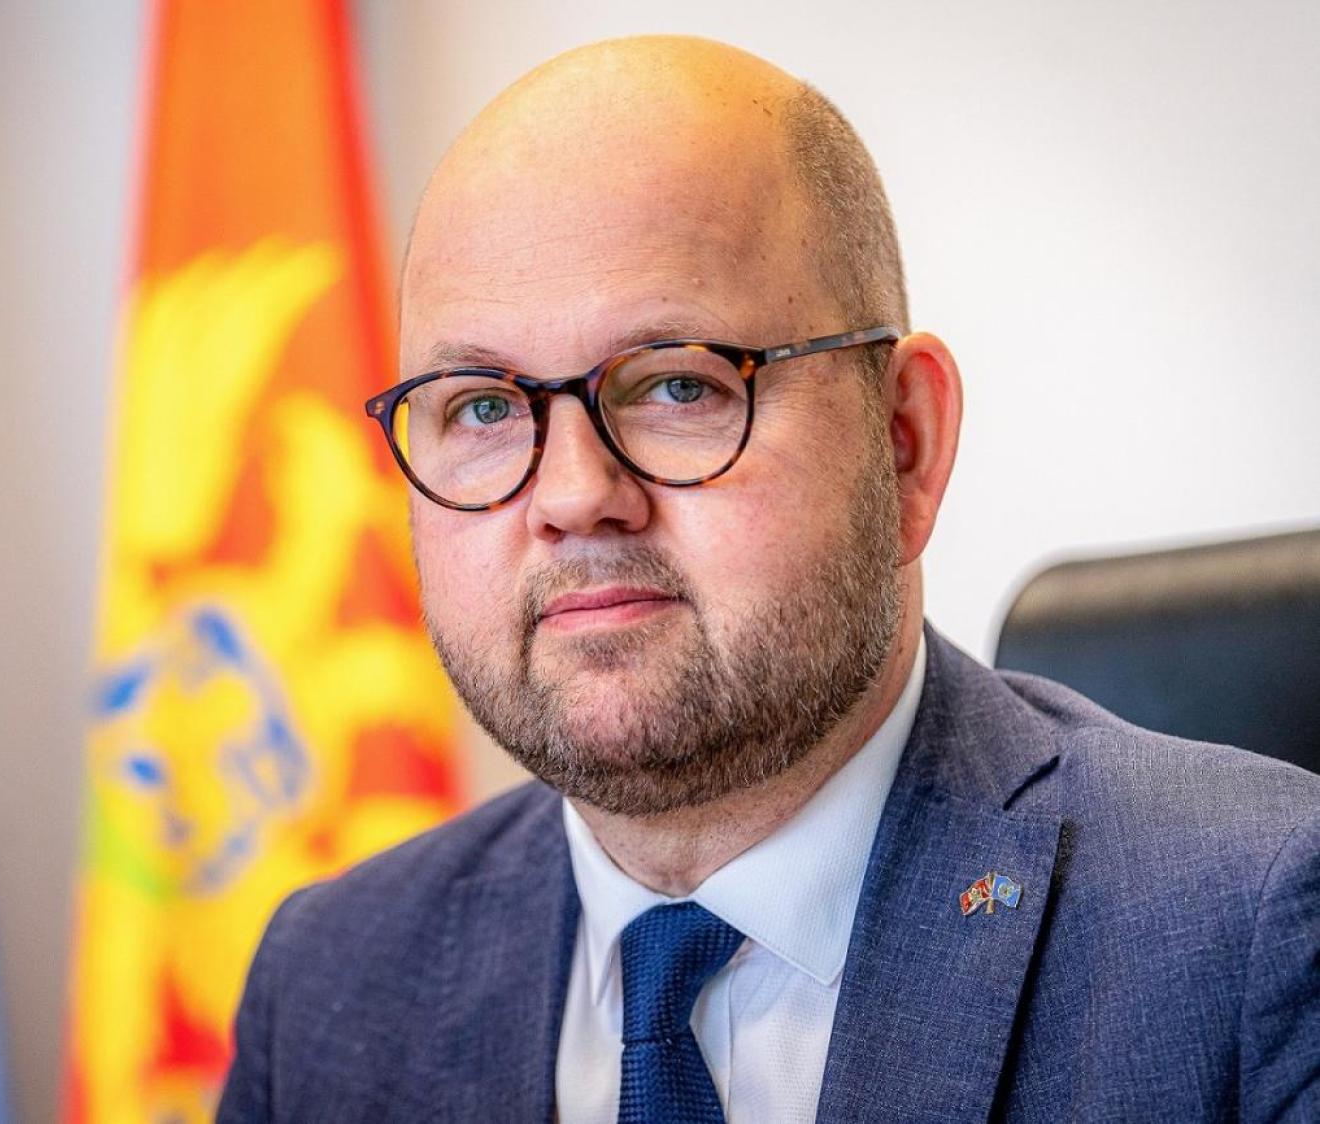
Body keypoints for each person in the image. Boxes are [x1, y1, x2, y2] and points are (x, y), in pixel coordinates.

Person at [217, 35, 1320, 1123]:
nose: (569, 493)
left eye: (675, 386)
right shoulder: (326, 983)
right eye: (484, 408)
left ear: (902, 441)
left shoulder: (1253, 927)